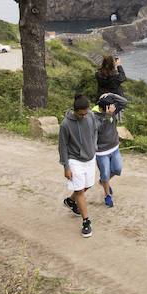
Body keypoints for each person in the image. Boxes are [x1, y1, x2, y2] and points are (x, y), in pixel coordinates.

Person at [58, 93, 100, 238]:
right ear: (74, 111)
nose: (84, 117)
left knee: (88, 185)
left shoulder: (90, 116)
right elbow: (62, 146)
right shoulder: (65, 124)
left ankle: (70, 200)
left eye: (86, 114)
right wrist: (66, 166)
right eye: (81, 114)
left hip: (89, 158)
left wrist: (94, 147)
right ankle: (86, 222)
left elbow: (95, 130)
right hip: (74, 160)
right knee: (80, 190)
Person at [94, 92, 128, 207]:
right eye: (110, 107)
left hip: (114, 147)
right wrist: (108, 116)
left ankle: (103, 182)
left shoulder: (112, 111)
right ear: (102, 108)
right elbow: (99, 129)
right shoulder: (94, 116)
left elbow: (124, 102)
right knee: (105, 173)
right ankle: (107, 195)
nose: (113, 108)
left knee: (117, 170)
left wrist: (111, 95)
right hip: (101, 152)